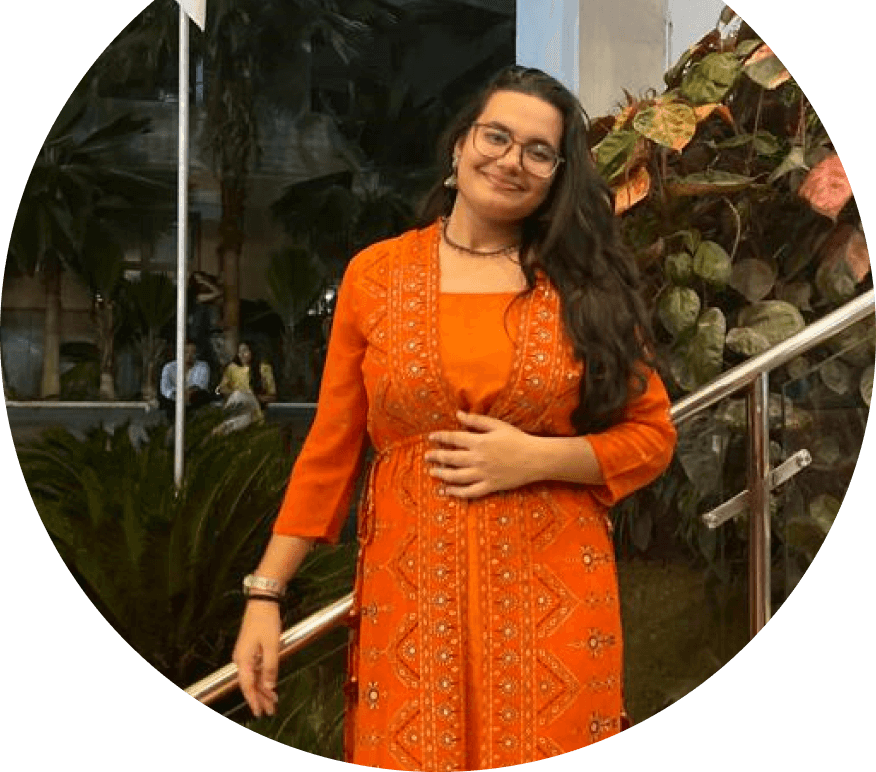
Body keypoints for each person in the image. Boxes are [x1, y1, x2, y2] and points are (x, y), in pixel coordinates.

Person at [232, 66, 677, 768]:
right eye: (496, 136)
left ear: (558, 176)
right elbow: (331, 447)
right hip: (410, 606)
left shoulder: (585, 286)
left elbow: (651, 436)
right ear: (460, 145)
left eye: (538, 151)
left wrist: (538, 458)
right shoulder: (376, 275)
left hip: (556, 610)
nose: (511, 160)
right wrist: (267, 591)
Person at [214, 340, 277, 434]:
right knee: (241, 406)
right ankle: (225, 427)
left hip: (255, 406)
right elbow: (220, 389)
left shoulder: (264, 368)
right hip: (236, 405)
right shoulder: (232, 368)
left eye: (245, 351)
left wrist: (254, 397)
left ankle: (221, 430)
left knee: (242, 399)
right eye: (239, 352)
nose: (241, 355)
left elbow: (273, 396)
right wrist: (233, 393)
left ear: (252, 352)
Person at [158, 340, 211, 420]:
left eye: (193, 353)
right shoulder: (169, 367)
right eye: (186, 352)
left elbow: (200, 385)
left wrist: (188, 393)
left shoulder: (202, 366)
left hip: (193, 401)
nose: (189, 355)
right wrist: (178, 394)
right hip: (173, 401)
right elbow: (165, 389)